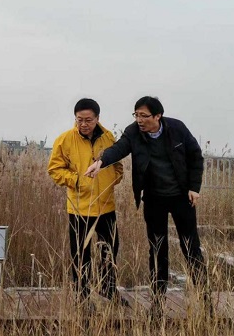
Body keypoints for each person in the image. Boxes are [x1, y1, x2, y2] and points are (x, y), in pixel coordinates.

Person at [85, 96, 210, 320]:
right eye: (136, 115)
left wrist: (194, 187)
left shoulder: (177, 129)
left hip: (182, 197)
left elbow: (195, 157)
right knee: (157, 251)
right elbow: (119, 149)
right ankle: (157, 305)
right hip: (154, 199)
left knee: (191, 249)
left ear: (158, 116)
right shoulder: (133, 132)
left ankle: (206, 302)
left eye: (144, 116)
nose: (139, 120)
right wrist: (100, 162)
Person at [47, 98, 126, 306]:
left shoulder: (108, 137)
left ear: (97, 118)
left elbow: (117, 164)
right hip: (79, 207)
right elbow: (54, 169)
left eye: (88, 120)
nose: (83, 124)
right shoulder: (64, 140)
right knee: (80, 253)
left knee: (110, 249)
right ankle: (82, 295)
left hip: (106, 205)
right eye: (79, 119)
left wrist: (114, 178)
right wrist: (77, 181)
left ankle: (108, 289)